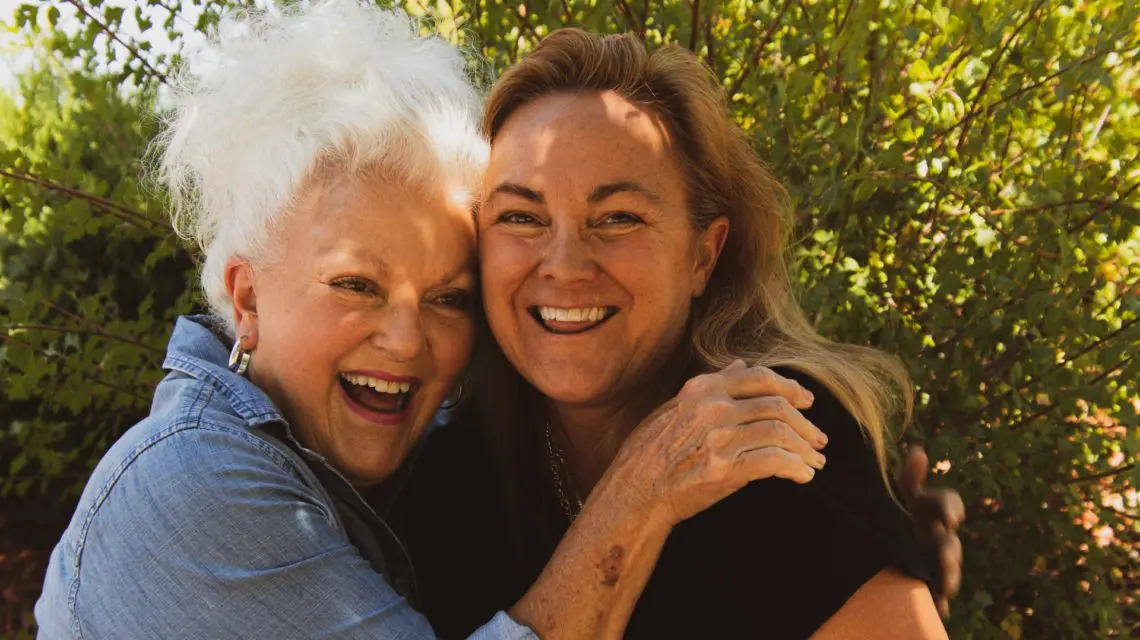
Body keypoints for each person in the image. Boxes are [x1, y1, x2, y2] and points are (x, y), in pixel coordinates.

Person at [32, 5, 835, 638]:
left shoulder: (415, 462)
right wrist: (640, 492)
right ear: (246, 299)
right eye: (355, 284)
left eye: (448, 298)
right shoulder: (191, 484)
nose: (407, 341)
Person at [390, 29, 960, 639]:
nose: (564, 265)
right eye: (521, 217)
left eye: (618, 218)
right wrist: (636, 496)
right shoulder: (452, 477)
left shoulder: (767, 435)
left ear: (702, 256)